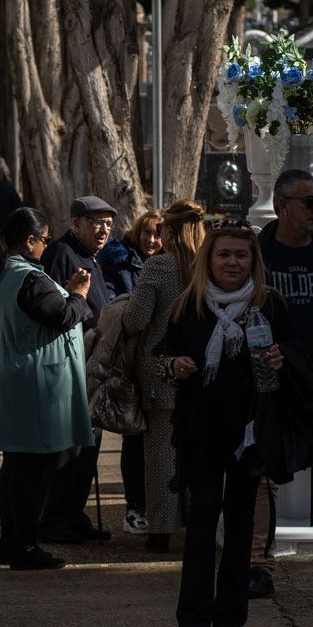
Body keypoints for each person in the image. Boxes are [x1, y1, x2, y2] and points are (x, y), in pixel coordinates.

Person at [162, 223, 313, 627]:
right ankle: (194, 620)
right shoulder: (189, 306)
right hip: (201, 429)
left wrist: (280, 359)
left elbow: (298, 354)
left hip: (251, 432)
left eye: (241, 255)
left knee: (240, 523)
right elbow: (160, 356)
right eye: (224, 255)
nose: (232, 262)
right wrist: (174, 365)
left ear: (254, 261)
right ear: (208, 261)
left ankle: (231, 618)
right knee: (202, 519)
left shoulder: (269, 304)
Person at [0, 208, 93, 570]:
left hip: (13, 378)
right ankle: (25, 546)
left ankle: (11, 541)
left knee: (16, 466)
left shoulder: (3, 273)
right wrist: (77, 295)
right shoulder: (28, 277)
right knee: (32, 468)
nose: (48, 246)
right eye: (45, 240)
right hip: (32, 383)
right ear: (30, 241)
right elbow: (61, 315)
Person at [254, 169, 313, 598]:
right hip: (268, 381)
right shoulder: (258, 254)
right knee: (259, 472)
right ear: (282, 206)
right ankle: (255, 565)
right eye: (309, 202)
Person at [121, 199, 208, 551]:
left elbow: (135, 320)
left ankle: (161, 531)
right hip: (205, 370)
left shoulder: (159, 267)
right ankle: (200, 526)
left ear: (169, 231)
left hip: (161, 373)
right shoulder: (212, 264)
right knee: (201, 452)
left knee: (161, 455)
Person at [37, 195, 117, 543]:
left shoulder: (90, 257)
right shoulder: (61, 254)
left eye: (109, 225)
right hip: (72, 365)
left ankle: (73, 513)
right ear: (76, 224)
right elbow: (58, 310)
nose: (104, 230)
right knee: (70, 448)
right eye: (97, 222)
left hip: (94, 365)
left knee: (88, 448)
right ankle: (55, 519)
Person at [97, 208, 162, 535]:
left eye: (158, 234)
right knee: (134, 437)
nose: (152, 240)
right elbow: (117, 307)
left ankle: (161, 507)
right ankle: (135, 507)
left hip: (162, 364)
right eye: (147, 233)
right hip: (131, 361)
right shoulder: (120, 262)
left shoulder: (169, 265)